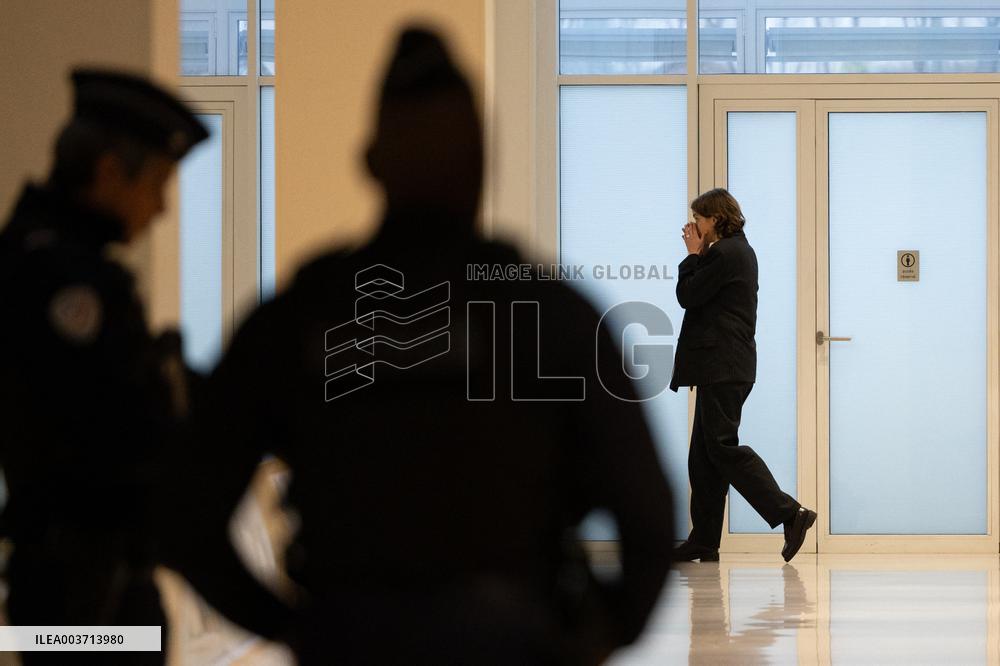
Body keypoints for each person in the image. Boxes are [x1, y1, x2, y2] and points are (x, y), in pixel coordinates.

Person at [167, 27, 675, 665]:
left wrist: (294, 627)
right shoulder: (551, 317)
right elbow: (648, 516)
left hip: (350, 639)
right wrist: (589, 637)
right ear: (484, 163)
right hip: (513, 638)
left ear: (371, 161)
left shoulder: (296, 321)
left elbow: (186, 515)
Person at [0, 69, 208, 663]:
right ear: (111, 173)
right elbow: (114, 428)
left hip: (86, 577)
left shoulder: (52, 262)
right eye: (158, 184)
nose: (162, 209)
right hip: (80, 587)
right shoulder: (61, 281)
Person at [669, 188, 816, 563]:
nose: (693, 227)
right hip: (724, 366)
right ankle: (703, 540)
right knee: (703, 460)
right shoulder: (734, 251)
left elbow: (688, 295)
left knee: (720, 447)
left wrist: (691, 257)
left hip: (723, 366)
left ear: (715, 219)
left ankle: (789, 512)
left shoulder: (725, 252)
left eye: (698, 219)